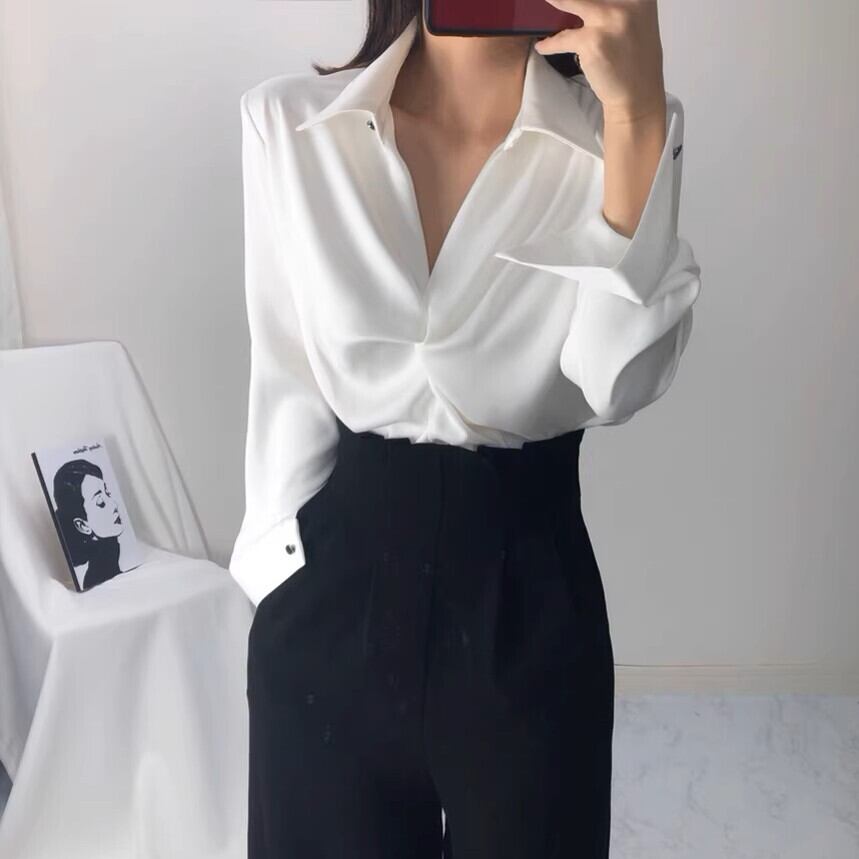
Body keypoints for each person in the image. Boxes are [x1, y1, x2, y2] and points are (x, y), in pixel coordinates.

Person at [230, 2, 701, 856]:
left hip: (529, 603)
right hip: (328, 606)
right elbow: (286, 377)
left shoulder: (619, 133)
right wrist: (278, 587)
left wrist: (635, 120)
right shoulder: (289, 126)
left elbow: (617, 381)